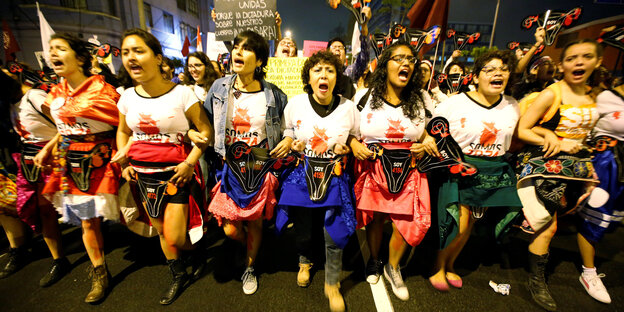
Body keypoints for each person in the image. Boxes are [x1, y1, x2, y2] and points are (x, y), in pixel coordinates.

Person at [115, 28, 212, 305]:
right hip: (142, 176)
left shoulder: (182, 94)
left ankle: (194, 249)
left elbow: (205, 132)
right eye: (126, 52)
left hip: (176, 174)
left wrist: (189, 163)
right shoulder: (127, 98)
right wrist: (124, 162)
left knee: (175, 235)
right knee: (161, 231)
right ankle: (178, 274)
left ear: (158, 58)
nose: (131, 58)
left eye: (139, 51)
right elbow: (122, 132)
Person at [515, 39, 603, 311]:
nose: (578, 62)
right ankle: (536, 281)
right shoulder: (552, 94)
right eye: (572, 58)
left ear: (597, 62)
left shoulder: (594, 94)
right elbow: (522, 129)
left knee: (566, 222)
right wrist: (552, 138)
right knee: (548, 226)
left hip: (576, 170)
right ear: (562, 64)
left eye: (586, 57)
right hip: (547, 167)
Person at [33, 33, 121, 303]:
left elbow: (125, 125)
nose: (53, 53)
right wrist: (50, 147)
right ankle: (99, 273)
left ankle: (175, 256)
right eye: (51, 49)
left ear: (81, 58)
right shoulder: (56, 91)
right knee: (87, 220)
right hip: (72, 164)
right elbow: (64, 127)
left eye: (60, 48)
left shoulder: (103, 90)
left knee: (136, 215)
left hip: (107, 161)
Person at [204, 30, 291, 296]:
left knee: (254, 222)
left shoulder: (275, 95)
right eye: (237, 47)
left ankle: (250, 266)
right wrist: (197, 133)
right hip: (228, 168)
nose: (238, 52)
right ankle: (244, 247)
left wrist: (288, 139)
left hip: (258, 167)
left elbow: (288, 127)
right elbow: (205, 123)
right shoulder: (219, 87)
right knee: (230, 228)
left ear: (261, 60)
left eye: (247, 48)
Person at [349, 42, 438, 301]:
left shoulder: (422, 98)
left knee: (405, 222)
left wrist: (428, 140)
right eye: (398, 58)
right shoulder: (364, 96)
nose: (406, 63)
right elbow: (350, 132)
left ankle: (393, 267)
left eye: (410, 59)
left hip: (409, 168)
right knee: (376, 219)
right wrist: (354, 145)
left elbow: (429, 131)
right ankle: (375, 261)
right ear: (385, 64)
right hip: (374, 168)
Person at [430, 50, 522, 292]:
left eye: (502, 69)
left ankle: (451, 265)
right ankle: (438, 266)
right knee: (456, 221)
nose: (497, 73)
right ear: (475, 76)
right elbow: (433, 131)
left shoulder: (513, 105)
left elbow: (520, 135)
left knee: (470, 222)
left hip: (492, 170)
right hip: (460, 168)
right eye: (489, 69)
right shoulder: (454, 103)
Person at [276, 50, 358, 312]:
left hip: (334, 175)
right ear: (308, 77)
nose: (324, 75)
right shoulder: (295, 103)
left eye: (330, 70)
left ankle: (332, 283)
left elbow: (355, 136)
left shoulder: (349, 107)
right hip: (302, 174)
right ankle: (304, 260)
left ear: (337, 78)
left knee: (333, 231)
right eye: (317, 70)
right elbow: (288, 129)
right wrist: (290, 140)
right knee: (303, 228)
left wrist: (349, 147)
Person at [5, 64, 70, 287]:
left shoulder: (34, 96)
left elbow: (68, 123)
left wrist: (48, 148)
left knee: (80, 210)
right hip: (32, 161)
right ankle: (59, 260)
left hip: (56, 157)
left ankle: (98, 258)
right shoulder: (11, 104)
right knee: (44, 212)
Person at [0, 69, 30, 280]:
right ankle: (18, 246)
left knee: (10, 202)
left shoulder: (24, 95)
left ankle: (19, 248)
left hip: (11, 150)